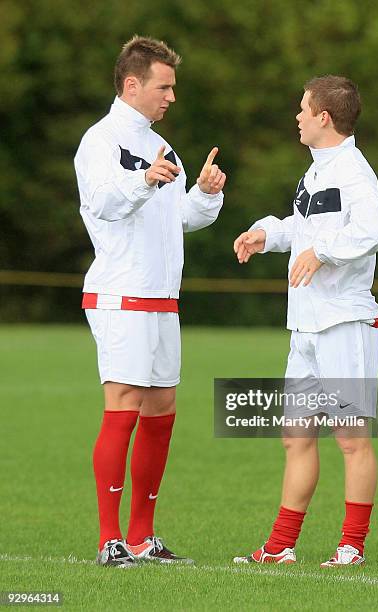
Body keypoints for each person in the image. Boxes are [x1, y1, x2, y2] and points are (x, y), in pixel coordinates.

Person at [74, 35, 226, 567]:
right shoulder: (101, 140)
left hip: (162, 299)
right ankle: (109, 540)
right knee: (124, 408)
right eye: (165, 87)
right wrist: (143, 179)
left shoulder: (164, 146)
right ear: (132, 84)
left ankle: (143, 536)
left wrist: (205, 193)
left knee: (162, 410)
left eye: (173, 88)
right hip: (122, 293)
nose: (171, 97)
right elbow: (103, 202)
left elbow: (179, 219)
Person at [232, 75, 378, 567]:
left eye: (303, 109)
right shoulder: (317, 172)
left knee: (351, 438)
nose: (297, 116)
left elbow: (377, 228)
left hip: (344, 324)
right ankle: (280, 547)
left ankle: (352, 546)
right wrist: (266, 233)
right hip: (304, 328)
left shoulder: (355, 173)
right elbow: (304, 228)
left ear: (324, 117)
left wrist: (322, 252)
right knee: (295, 436)